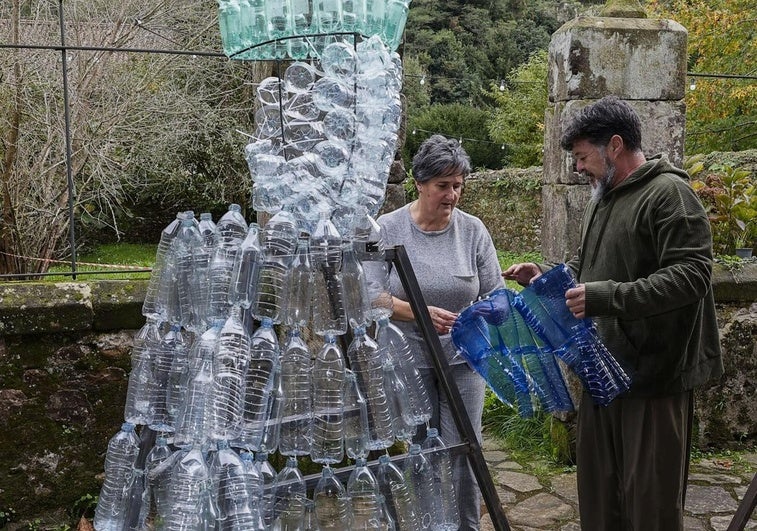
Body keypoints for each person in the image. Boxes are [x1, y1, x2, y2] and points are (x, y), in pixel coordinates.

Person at [504, 95, 723, 531]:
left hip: (654, 380)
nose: (578, 168)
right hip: (603, 374)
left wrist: (607, 297)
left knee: (650, 508)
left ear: (615, 145)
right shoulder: (602, 199)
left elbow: (693, 276)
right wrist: (546, 277)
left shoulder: (670, 194)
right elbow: (586, 269)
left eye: (583, 157)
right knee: (601, 501)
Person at [377, 134, 503, 530]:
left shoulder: (473, 231)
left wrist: (481, 312)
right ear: (419, 183)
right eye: (442, 186)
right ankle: (430, 524)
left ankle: (466, 526)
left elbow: (496, 294)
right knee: (421, 450)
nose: (452, 196)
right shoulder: (387, 228)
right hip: (407, 358)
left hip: (463, 358)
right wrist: (414, 312)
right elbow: (367, 295)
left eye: (458, 186)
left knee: (466, 450)